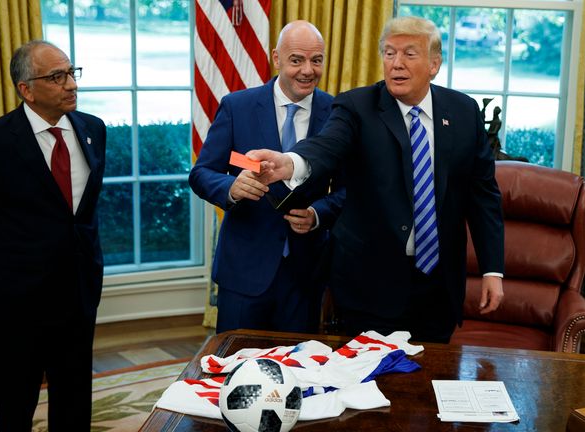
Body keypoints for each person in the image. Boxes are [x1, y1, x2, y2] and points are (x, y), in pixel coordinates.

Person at [249, 16, 504, 343]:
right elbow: (327, 146)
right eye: (389, 53)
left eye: (409, 54)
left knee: (430, 382)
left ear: (434, 64)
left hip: (439, 286)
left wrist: (492, 270)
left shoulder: (464, 112)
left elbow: (483, 197)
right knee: (369, 387)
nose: (396, 63)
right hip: (370, 285)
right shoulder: (357, 106)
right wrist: (290, 161)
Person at [0, 40, 106, 430]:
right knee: (16, 400)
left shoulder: (93, 129)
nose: (71, 84)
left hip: (78, 290)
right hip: (17, 300)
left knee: (74, 397)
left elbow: (83, 213)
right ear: (26, 89)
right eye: (57, 77)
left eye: (72, 73)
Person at [188, 21, 344, 334]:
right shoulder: (238, 107)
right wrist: (231, 187)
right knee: (235, 369)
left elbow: (350, 188)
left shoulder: (337, 112)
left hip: (306, 273)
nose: (307, 70)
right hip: (244, 271)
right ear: (276, 58)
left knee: (298, 373)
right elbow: (201, 173)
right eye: (297, 60)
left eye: (317, 60)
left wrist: (318, 214)